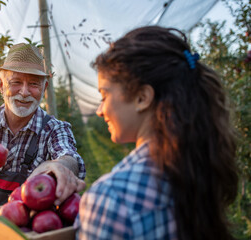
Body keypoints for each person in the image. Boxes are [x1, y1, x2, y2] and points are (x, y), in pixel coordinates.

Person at [75, 26, 239, 240]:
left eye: (104, 96)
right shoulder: (197, 167)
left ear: (142, 97)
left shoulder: (111, 198)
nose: (99, 110)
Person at [0, 43, 86, 207]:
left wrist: (59, 166)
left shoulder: (54, 128)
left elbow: (69, 157)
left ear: (44, 88)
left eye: (34, 84)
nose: (25, 92)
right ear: (1, 85)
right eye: (16, 82)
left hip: (34, 227)